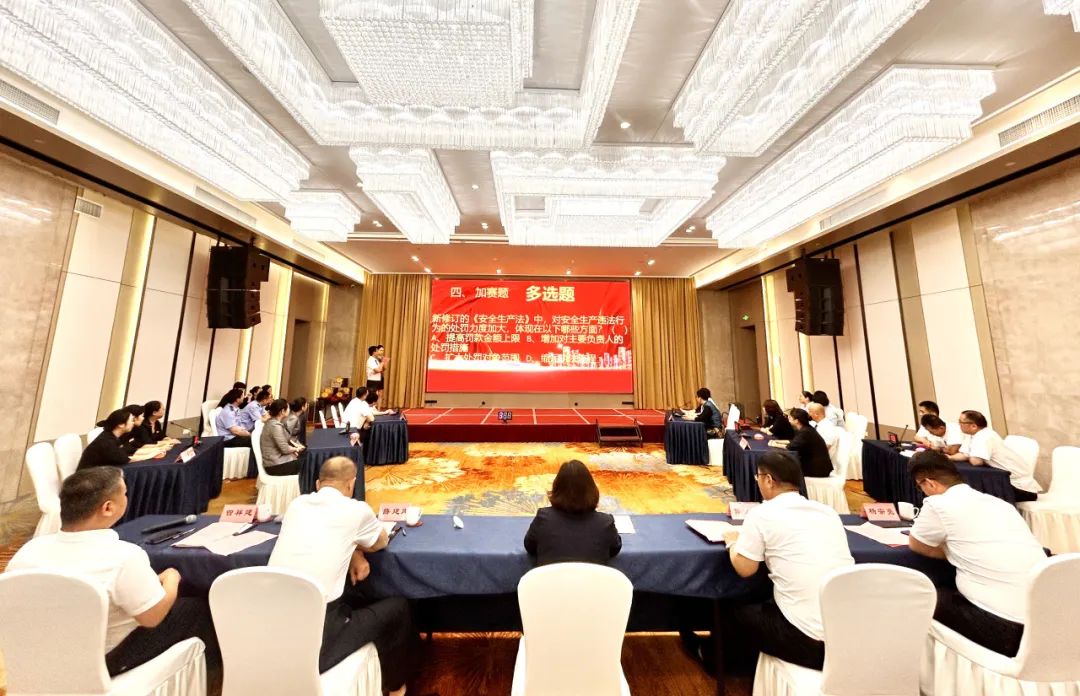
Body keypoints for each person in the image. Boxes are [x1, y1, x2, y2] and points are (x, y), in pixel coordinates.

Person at [7, 467, 219, 675]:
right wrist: (172, 579)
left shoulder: (27, 551)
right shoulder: (123, 556)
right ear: (108, 508)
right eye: (124, 493)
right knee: (196, 608)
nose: (127, 498)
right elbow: (153, 617)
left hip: (35, 659)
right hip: (101, 662)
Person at [269, 457, 412, 695]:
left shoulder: (296, 505)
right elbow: (380, 542)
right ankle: (397, 689)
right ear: (351, 484)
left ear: (317, 484)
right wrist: (358, 549)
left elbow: (321, 535)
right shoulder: (356, 510)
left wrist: (353, 551)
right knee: (399, 608)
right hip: (317, 641)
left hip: (271, 626)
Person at [722, 451, 854, 670]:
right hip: (848, 637)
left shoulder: (762, 514)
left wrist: (732, 542)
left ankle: (722, 662)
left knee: (733, 608)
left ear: (768, 480)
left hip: (809, 642)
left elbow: (745, 569)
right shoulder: (828, 512)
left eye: (757, 477)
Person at [907, 451, 1047, 656]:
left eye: (920, 487)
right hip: (1045, 625)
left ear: (929, 483)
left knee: (919, 595)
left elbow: (917, 545)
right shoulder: (1001, 505)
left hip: (1007, 630)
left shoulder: (938, 504)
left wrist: (951, 552)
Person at [524, 460, 622, 566]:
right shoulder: (605, 523)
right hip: (590, 577)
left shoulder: (543, 518)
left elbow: (530, 546)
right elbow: (614, 549)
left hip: (552, 577)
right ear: (592, 490)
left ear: (556, 488)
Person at [949, 410, 1041, 502]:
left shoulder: (984, 437)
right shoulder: (972, 435)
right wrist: (949, 458)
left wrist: (969, 455)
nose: (959, 425)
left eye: (961, 422)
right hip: (1002, 481)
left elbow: (976, 462)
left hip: (1020, 488)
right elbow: (965, 454)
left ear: (973, 426)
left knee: (976, 495)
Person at [260, 399, 304, 476]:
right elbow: (285, 449)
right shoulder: (275, 426)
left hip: (277, 462)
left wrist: (295, 448)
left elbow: (286, 441)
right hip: (275, 466)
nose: (290, 410)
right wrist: (296, 449)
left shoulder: (272, 422)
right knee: (308, 463)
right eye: (288, 408)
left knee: (306, 457)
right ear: (282, 411)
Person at [786, 408, 833, 478]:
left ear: (796, 421)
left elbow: (791, 446)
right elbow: (794, 443)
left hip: (818, 469)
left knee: (786, 468)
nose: (788, 418)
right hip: (818, 466)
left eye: (790, 417)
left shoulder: (805, 432)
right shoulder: (807, 429)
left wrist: (776, 444)